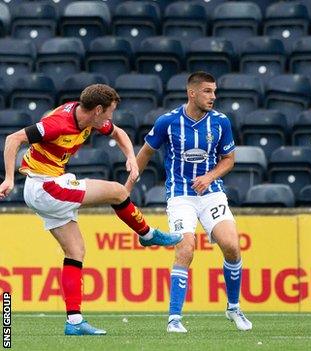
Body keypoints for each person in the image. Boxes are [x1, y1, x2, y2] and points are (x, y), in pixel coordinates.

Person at [0, 84, 183, 336]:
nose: (111, 118)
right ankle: (147, 234)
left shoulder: (89, 118)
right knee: (118, 192)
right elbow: (14, 139)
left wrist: (130, 157)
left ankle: (74, 322)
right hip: (46, 186)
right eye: (110, 112)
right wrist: (9, 178)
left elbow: (119, 134)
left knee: (75, 251)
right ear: (98, 110)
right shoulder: (59, 123)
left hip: (44, 187)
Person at [126, 71, 252, 333]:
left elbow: (229, 160)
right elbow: (146, 152)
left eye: (214, 92)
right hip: (181, 195)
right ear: (191, 92)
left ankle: (233, 307)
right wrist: (128, 186)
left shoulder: (221, 122)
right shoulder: (167, 122)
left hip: (211, 192)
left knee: (231, 245)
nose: (213, 97)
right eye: (207, 91)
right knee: (186, 248)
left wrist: (209, 176)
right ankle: (174, 318)